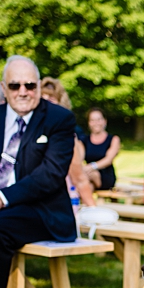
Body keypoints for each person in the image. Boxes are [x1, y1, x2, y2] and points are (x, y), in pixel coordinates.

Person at [0, 55, 76, 288]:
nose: (23, 91)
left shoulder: (59, 119)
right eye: (14, 85)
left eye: (30, 85)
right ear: (4, 87)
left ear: (37, 85)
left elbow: (49, 175)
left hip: (41, 210)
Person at [40, 77, 95, 207]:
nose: (46, 104)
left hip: (58, 207)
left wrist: (94, 210)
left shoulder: (65, 136)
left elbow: (79, 179)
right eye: (43, 99)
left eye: (51, 99)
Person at [79, 108, 121, 191]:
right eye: (93, 120)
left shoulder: (113, 139)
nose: (96, 123)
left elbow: (108, 160)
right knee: (88, 186)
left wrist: (91, 166)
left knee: (90, 176)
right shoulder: (83, 140)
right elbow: (79, 158)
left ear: (104, 121)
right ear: (89, 123)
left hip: (105, 175)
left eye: (99, 119)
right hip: (87, 173)